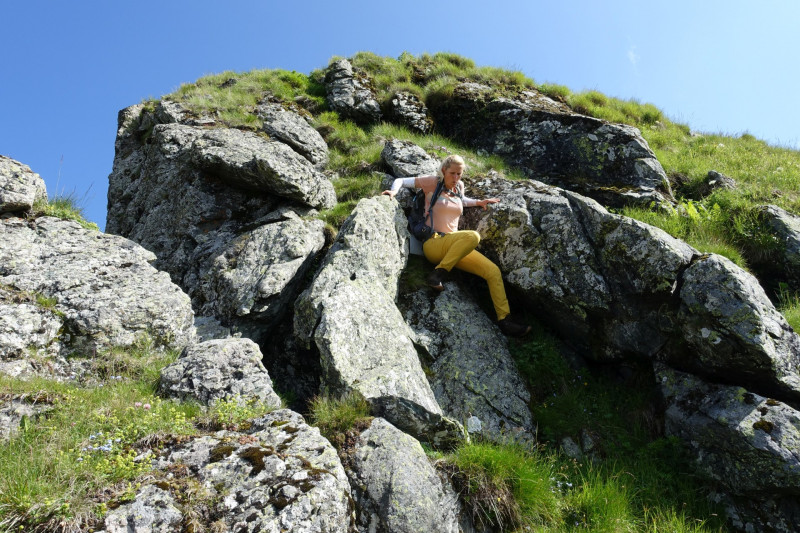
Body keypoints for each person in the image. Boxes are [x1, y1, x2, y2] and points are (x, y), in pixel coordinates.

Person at [382, 155, 531, 338]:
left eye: (459, 174)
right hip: (434, 243)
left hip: (454, 246)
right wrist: (393, 192)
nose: (456, 178)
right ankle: (438, 274)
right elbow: (401, 180)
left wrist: (479, 202)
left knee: (493, 271)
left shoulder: (458, 187)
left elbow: (462, 201)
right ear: (444, 171)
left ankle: (505, 320)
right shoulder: (432, 182)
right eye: (452, 173)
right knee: (473, 236)